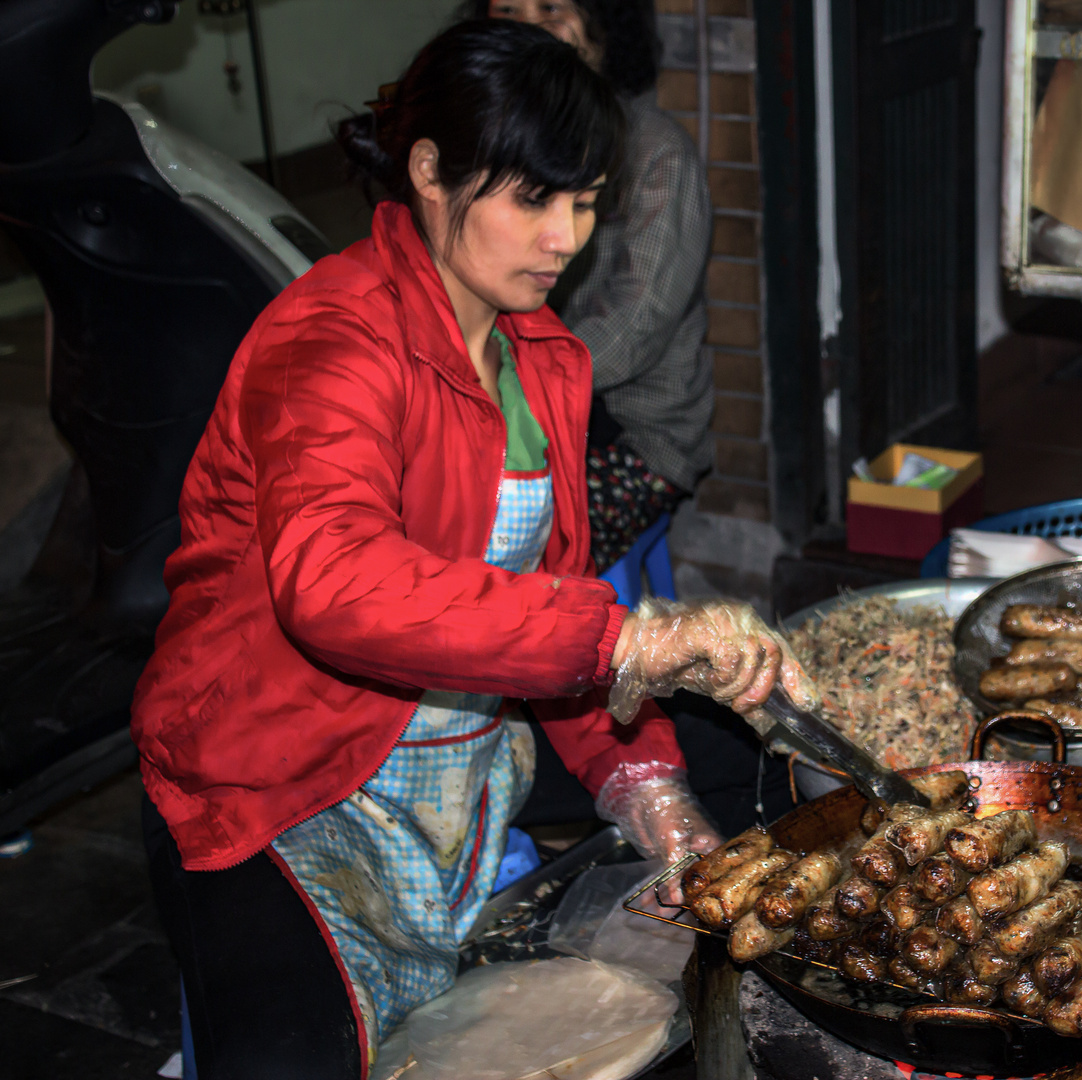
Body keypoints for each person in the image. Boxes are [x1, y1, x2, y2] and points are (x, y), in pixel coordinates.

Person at [130, 21, 807, 1077]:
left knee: (767, 769)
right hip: (279, 776)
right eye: (533, 199)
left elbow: (543, 603)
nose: (564, 239)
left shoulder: (542, 360)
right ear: (429, 171)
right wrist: (622, 637)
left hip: (455, 749)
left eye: (584, 203)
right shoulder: (333, 341)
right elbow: (333, 579)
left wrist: (645, 783)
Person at [471, 0, 714, 571]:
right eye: (509, 8)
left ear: (605, 32)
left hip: (634, 437)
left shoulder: (654, 154)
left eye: (553, 6)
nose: (531, 24)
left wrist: (507, 387)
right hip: (519, 410)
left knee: (507, 548)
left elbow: (634, 328)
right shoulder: (493, 144)